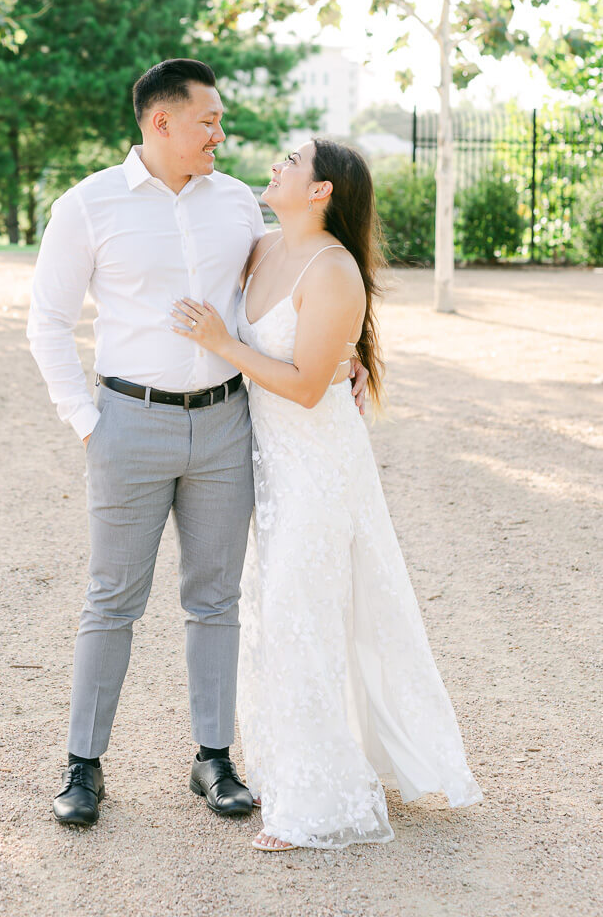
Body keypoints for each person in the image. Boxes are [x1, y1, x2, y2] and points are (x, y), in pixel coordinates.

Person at [27, 58, 371, 827]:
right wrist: (87, 421)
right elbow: (47, 321)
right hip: (128, 423)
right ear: (163, 124)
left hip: (225, 426)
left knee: (216, 600)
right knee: (111, 599)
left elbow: (302, 279)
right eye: (210, 120)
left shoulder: (239, 209)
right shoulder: (88, 206)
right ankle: (83, 766)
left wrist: (349, 358)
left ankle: (213, 759)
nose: (223, 132)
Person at [171, 138, 483, 851]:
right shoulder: (260, 248)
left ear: (322, 192)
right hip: (269, 465)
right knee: (278, 612)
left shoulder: (334, 268)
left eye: (291, 160)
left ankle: (316, 803)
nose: (276, 164)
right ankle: (302, 765)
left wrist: (223, 342)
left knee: (297, 616)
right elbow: (338, 349)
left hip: (316, 464)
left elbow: (309, 386)